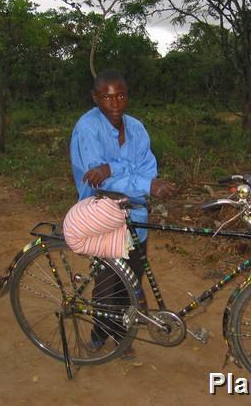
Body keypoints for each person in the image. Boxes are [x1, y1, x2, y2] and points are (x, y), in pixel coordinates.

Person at [69, 69, 176, 356]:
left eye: (120, 95)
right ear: (95, 98)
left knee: (131, 280)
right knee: (107, 281)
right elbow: (99, 181)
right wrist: (132, 178)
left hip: (136, 217)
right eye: (106, 97)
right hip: (103, 216)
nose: (114, 103)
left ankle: (121, 335)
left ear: (127, 96)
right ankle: (98, 335)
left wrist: (114, 168)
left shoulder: (137, 129)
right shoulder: (87, 128)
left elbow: (148, 171)